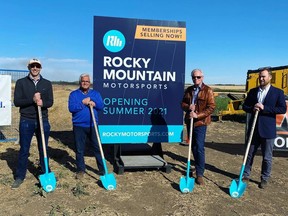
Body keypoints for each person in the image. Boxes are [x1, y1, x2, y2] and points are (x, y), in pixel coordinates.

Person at [12, 58, 54, 189]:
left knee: (43, 148)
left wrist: (43, 103)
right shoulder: (21, 82)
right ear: (29, 67)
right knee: (24, 149)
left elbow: (50, 102)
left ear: (41, 67)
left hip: (43, 120)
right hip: (26, 120)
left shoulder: (47, 83)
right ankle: (20, 176)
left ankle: (45, 171)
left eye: (37, 66)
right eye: (32, 66)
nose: (35, 68)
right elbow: (17, 102)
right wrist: (32, 100)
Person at [242, 67, 286, 189]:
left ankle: (264, 178)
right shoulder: (253, 91)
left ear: (270, 77)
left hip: (268, 130)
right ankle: (245, 175)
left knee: (267, 157)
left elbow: (282, 109)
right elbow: (244, 106)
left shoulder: (278, 92)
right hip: (254, 129)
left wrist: (264, 108)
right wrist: (252, 108)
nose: (261, 78)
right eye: (260, 76)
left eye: (263, 76)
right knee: (249, 154)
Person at [181, 69, 216, 185]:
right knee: (193, 146)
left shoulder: (208, 91)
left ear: (202, 77)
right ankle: (196, 166)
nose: (196, 79)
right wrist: (188, 107)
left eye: (198, 77)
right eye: (194, 77)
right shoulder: (189, 90)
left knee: (200, 147)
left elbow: (211, 107)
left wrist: (198, 115)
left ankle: (200, 174)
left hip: (201, 123)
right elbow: (182, 104)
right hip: (190, 121)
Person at [68, 73, 105, 179]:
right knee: (79, 149)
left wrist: (95, 104)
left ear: (90, 83)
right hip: (79, 126)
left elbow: (101, 106)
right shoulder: (74, 94)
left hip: (93, 125)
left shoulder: (95, 94)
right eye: (83, 81)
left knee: (97, 148)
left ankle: (102, 170)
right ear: (80, 82)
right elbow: (71, 108)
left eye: (87, 81)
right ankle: (80, 170)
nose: (85, 83)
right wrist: (82, 103)